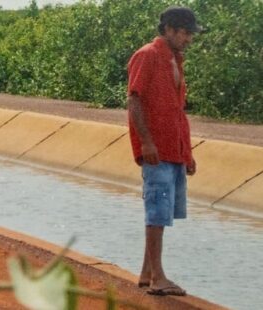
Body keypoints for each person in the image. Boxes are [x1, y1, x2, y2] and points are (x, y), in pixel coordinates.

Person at [127, 6, 203, 297]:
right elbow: (134, 101)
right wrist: (146, 142)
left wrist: (187, 152)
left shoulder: (175, 59)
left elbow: (176, 111)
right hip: (156, 149)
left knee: (163, 211)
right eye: (184, 33)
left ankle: (147, 272)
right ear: (169, 29)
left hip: (174, 149)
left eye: (190, 34)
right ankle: (158, 278)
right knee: (157, 212)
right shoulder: (147, 55)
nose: (188, 39)